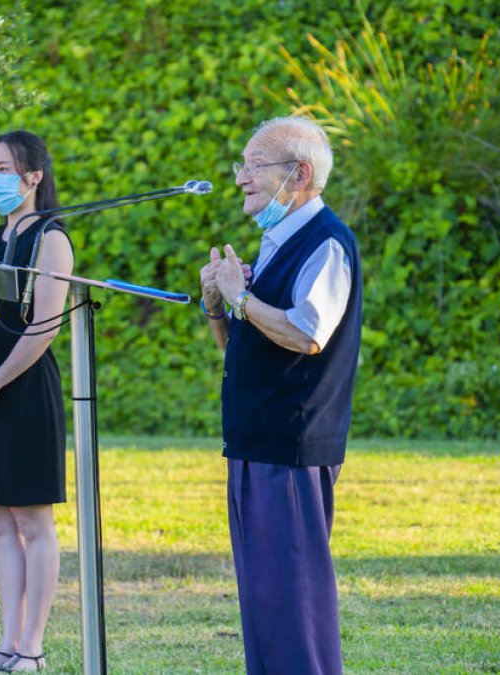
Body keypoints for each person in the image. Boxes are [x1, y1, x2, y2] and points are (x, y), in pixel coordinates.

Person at [199, 116, 362, 675]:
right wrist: (219, 305)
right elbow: (243, 345)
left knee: (294, 605)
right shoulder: (275, 241)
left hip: (290, 449)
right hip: (253, 444)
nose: (241, 177)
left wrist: (241, 298)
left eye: (254, 165)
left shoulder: (327, 243)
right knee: (264, 603)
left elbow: (306, 333)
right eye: (241, 165)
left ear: (300, 174)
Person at [0, 130, 74, 672]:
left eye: (4, 168)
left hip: (22, 392)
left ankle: (32, 647)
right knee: (1, 524)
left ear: (33, 177)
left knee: (32, 523)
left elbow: (45, 326)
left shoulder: (51, 240)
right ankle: (6, 643)